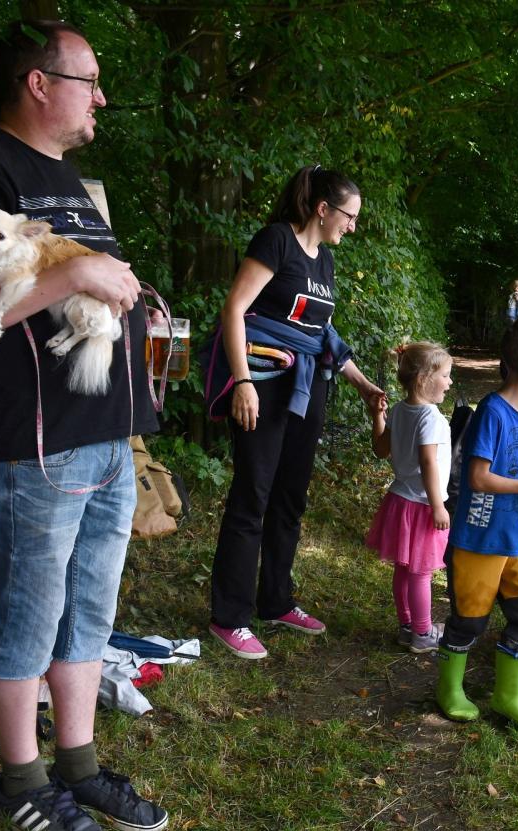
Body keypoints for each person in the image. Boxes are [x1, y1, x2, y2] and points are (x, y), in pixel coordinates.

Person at [0, 19, 167, 831]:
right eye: (89, 80)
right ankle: (21, 779)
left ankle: (77, 765)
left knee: (88, 617)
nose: (101, 98)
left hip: (107, 439)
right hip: (36, 450)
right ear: (39, 84)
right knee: (26, 620)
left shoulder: (67, 179)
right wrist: (75, 272)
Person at [205, 165, 384, 660]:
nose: (353, 226)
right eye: (349, 216)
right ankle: (230, 617)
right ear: (323, 209)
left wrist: (363, 385)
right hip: (263, 380)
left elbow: (320, 333)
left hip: (308, 388)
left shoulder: (324, 260)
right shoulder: (277, 241)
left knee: (290, 498)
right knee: (253, 496)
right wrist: (242, 381)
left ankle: (276, 601)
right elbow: (235, 309)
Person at [436, 316, 518, 731]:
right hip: (479, 538)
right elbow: (478, 478)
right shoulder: (491, 412)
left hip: (515, 538)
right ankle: (449, 690)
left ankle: (509, 697)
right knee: (469, 622)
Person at [364, 342, 453, 654]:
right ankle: (423, 632)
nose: (450, 382)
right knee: (420, 573)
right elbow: (428, 462)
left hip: (399, 500)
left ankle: (407, 626)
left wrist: (378, 416)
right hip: (422, 505)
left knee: (403, 569)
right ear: (424, 378)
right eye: (446, 375)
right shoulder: (431, 417)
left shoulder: (400, 410)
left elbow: (380, 450)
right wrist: (438, 506)